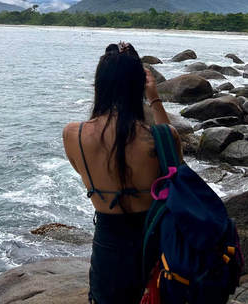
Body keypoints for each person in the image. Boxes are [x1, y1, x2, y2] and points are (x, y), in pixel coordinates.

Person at [62, 42, 184, 304]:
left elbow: (81, 170)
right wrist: (154, 97)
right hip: (155, 240)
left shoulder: (74, 134)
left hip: (108, 243)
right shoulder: (159, 136)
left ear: (100, 84)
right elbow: (175, 170)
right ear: (138, 84)